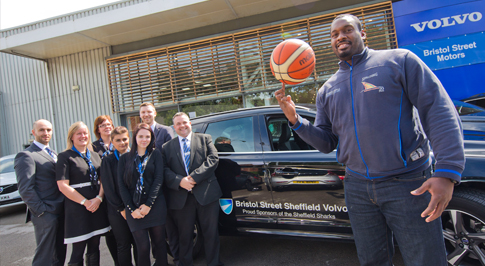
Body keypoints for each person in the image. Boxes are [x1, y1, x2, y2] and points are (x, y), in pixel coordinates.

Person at [275, 14, 465, 266]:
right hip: (358, 188)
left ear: (362, 34)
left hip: (407, 182)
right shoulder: (327, 90)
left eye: (347, 30)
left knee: (425, 260)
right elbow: (327, 142)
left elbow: (437, 109)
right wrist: (296, 120)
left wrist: (446, 171)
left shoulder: (399, 61)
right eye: (334, 34)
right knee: (372, 261)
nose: (340, 36)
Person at [162, 112, 223, 266]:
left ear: (190, 123)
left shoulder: (205, 138)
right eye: (178, 124)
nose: (182, 126)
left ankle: (214, 263)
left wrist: (194, 177)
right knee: (185, 236)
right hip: (182, 198)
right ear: (174, 127)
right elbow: (164, 170)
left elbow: (213, 158)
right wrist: (179, 181)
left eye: (184, 122)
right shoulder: (166, 147)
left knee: (211, 234)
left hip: (206, 195)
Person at [56, 122, 111, 266]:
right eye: (79, 133)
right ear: (72, 137)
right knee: (78, 250)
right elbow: (62, 186)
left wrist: (99, 199)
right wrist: (85, 202)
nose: (83, 136)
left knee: (94, 247)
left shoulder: (94, 155)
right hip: (78, 209)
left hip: (96, 206)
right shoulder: (65, 157)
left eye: (85, 133)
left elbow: (102, 180)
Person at [14, 119, 66, 266]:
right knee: (45, 257)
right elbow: (25, 189)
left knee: (58, 254)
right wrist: (42, 212)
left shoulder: (52, 153)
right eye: (42, 130)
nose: (46, 133)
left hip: (60, 210)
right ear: (33, 132)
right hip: (46, 214)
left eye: (49, 130)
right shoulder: (26, 155)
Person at [118, 123, 167, 266]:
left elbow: (158, 180)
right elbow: (122, 186)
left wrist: (148, 205)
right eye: (141, 136)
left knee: (159, 244)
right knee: (143, 247)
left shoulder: (156, 154)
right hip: (134, 208)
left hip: (155, 205)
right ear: (135, 138)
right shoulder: (124, 159)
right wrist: (132, 209)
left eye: (147, 136)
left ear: (151, 138)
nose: (144, 139)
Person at [138, 102, 178, 265]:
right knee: (153, 227)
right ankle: (159, 260)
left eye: (149, 112)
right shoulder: (138, 133)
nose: (146, 115)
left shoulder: (166, 131)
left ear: (154, 113)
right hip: (145, 188)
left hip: (164, 187)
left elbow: (172, 157)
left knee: (169, 226)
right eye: (143, 112)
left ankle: (176, 258)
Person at [100, 126, 137, 266]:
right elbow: (108, 188)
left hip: (136, 209)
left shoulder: (136, 156)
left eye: (125, 139)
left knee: (139, 244)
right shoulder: (108, 161)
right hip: (117, 211)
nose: (122, 143)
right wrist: (121, 209)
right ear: (112, 141)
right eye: (118, 140)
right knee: (124, 245)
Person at [92, 115, 120, 266]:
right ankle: (117, 261)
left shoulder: (119, 141)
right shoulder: (93, 147)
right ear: (97, 129)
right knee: (111, 231)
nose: (106, 127)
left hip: (122, 190)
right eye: (102, 125)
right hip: (105, 193)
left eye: (108, 124)